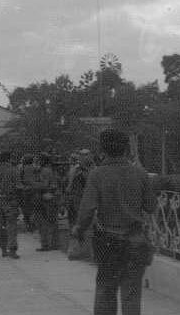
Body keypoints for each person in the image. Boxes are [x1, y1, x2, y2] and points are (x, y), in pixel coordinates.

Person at [71, 129, 157, 315]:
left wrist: (78, 229)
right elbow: (151, 206)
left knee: (105, 290)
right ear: (126, 149)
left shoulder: (97, 175)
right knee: (132, 293)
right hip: (135, 239)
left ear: (103, 150)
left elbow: (87, 210)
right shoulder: (140, 174)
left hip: (108, 241)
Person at [0, 151, 20, 259]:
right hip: (10, 202)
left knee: (1, 226)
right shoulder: (13, 170)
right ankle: (12, 250)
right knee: (11, 226)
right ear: (9, 159)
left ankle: (3, 250)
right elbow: (18, 186)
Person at [32, 153, 59, 251]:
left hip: (46, 197)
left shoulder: (44, 171)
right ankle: (54, 244)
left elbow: (44, 185)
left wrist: (32, 184)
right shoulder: (48, 170)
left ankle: (46, 244)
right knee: (52, 221)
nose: (35, 163)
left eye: (37, 160)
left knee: (43, 222)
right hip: (49, 197)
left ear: (42, 161)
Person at [19, 154, 36, 232]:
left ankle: (28, 224)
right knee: (34, 207)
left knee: (25, 207)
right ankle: (33, 224)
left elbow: (20, 179)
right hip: (34, 189)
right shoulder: (35, 168)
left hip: (25, 190)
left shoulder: (22, 169)